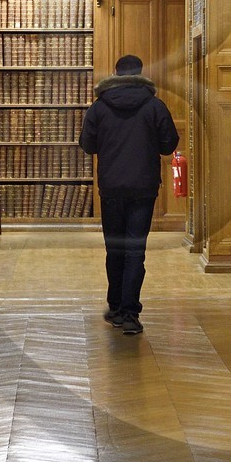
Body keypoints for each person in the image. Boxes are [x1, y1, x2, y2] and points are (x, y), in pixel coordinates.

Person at [79, 54, 180, 335]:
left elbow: (87, 145)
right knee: (136, 250)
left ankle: (114, 307)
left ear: (115, 74)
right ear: (140, 73)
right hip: (143, 188)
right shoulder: (155, 106)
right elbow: (168, 143)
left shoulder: (99, 108)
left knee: (115, 249)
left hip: (111, 187)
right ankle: (130, 313)